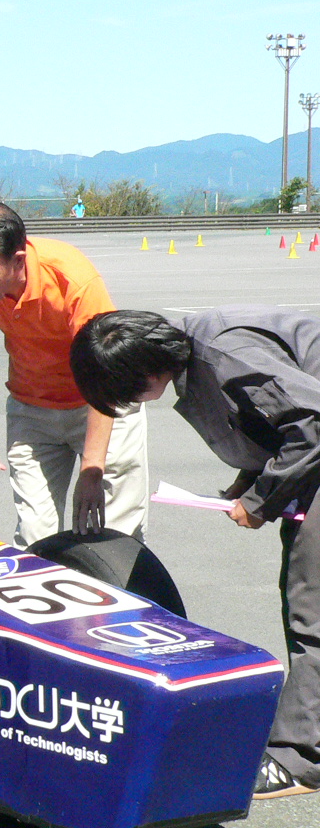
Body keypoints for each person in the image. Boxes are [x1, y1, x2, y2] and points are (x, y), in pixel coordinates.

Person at [71, 305, 320, 799]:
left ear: (144, 370)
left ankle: (302, 758)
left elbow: (312, 424)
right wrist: (253, 479)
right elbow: (279, 424)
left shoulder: (223, 353)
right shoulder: (196, 356)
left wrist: (259, 501)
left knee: (312, 601)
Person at [0, 199, 148, 548]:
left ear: (18, 261)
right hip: (33, 407)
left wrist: (93, 467)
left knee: (113, 533)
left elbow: (105, 370)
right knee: (36, 536)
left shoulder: (72, 279)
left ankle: (121, 597)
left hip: (102, 402)